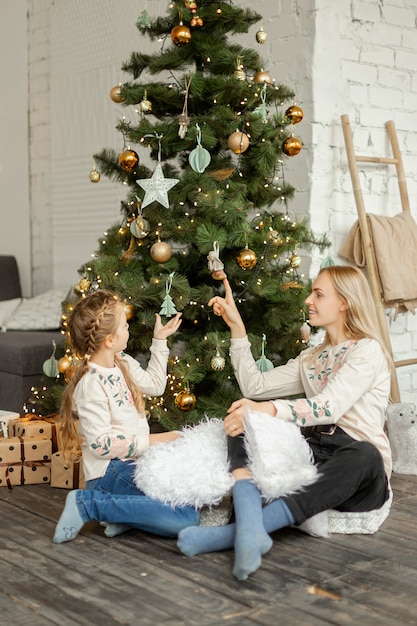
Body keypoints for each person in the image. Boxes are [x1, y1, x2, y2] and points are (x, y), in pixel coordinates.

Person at [177, 265, 393, 581]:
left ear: (344, 302)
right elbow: (255, 388)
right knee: (241, 417)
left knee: (366, 454)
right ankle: (252, 527)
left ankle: (238, 533)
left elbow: (329, 407)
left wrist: (269, 410)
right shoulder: (313, 357)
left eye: (319, 294)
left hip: (357, 470)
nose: (309, 300)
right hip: (314, 453)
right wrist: (237, 328)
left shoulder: (367, 351)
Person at [53, 289, 200, 544]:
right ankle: (88, 504)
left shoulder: (123, 362)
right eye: (124, 325)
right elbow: (101, 444)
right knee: (186, 518)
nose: (128, 328)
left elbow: (155, 385)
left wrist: (160, 341)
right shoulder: (90, 384)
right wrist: (157, 440)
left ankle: (123, 516)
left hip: (133, 465)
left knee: (185, 497)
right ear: (109, 340)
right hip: (108, 474)